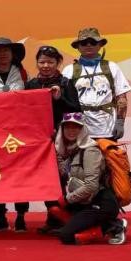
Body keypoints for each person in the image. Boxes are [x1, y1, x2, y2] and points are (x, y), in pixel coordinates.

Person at [26, 45, 82, 234]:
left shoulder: (66, 83)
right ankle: (54, 218)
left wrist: (59, 99)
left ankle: (66, 219)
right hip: (39, 142)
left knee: (62, 179)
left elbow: (77, 112)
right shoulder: (32, 85)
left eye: (50, 62)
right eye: (42, 62)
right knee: (46, 181)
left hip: (63, 141)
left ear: (58, 63)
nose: (46, 66)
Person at [49, 112, 127, 246]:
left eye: (76, 127)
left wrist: (68, 199)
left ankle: (114, 226)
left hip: (100, 203)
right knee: (54, 207)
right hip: (83, 202)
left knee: (66, 236)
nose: (71, 130)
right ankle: (98, 225)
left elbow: (91, 186)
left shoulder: (90, 151)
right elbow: (64, 172)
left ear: (83, 129)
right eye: (67, 127)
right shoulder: (69, 150)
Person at [0, 37, 30, 232]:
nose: (3, 54)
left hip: (19, 132)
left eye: (6, 51)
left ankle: (21, 216)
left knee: (20, 175)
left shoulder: (23, 74)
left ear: (13, 54)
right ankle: (0, 216)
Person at [62, 28, 131, 141]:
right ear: (78, 46)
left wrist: (120, 122)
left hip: (107, 130)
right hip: (79, 130)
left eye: (93, 42)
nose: (88, 45)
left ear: (100, 45)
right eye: (84, 42)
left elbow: (121, 98)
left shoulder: (112, 67)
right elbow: (63, 102)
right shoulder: (68, 70)